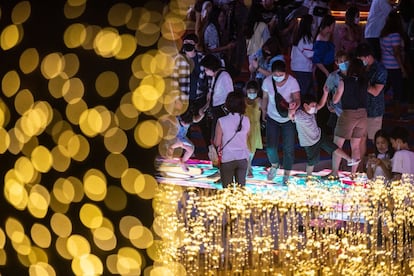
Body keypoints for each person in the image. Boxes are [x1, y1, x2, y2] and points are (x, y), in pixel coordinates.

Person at [289, 93, 360, 177]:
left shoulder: (312, 111)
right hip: (309, 142)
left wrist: (325, 92)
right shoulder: (299, 115)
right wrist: (292, 107)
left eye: (314, 105)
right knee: (312, 161)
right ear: (305, 105)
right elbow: (291, 116)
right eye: (312, 105)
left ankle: (349, 159)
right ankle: (308, 176)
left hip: (319, 135)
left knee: (333, 147)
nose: (314, 107)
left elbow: (321, 104)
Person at [261, 60, 301, 183]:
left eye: (280, 75)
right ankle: (274, 165)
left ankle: (287, 173)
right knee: (271, 147)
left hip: (288, 119)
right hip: (272, 117)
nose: (278, 77)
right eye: (275, 75)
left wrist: (294, 106)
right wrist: (264, 112)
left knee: (288, 148)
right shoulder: (267, 82)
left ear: (285, 72)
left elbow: (297, 98)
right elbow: (265, 98)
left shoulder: (292, 82)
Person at [172, 33, 211, 146]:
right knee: (184, 125)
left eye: (190, 43)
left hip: (199, 96)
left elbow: (208, 77)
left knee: (203, 124)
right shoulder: (178, 59)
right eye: (185, 43)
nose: (187, 45)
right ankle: (186, 149)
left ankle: (210, 148)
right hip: (184, 97)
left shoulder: (202, 58)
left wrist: (209, 91)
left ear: (195, 44)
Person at [331, 58, 368, 176]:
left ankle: (335, 172)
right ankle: (353, 174)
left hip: (348, 114)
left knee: (337, 145)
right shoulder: (365, 81)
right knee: (356, 145)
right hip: (363, 115)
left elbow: (335, 100)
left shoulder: (344, 81)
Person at [355, 43, 388, 167]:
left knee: (376, 140)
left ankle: (379, 166)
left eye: (361, 59)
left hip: (374, 109)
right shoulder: (362, 68)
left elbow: (375, 91)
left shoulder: (380, 70)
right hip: (362, 108)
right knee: (361, 137)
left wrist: (362, 83)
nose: (360, 61)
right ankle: (362, 166)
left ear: (368, 57)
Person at [214, 91, 250, 188]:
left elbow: (217, 142)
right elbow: (246, 139)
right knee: (241, 189)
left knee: (227, 190)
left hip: (227, 158)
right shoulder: (246, 120)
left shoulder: (221, 121)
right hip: (243, 157)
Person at [200, 53, 234, 141]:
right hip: (216, 110)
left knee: (219, 138)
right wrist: (205, 107)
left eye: (206, 69)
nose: (205, 71)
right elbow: (212, 95)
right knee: (215, 137)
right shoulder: (216, 76)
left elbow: (230, 95)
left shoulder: (224, 76)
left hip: (222, 110)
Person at [312, 14, 336, 135]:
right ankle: (322, 125)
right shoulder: (320, 37)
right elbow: (316, 60)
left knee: (330, 97)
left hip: (329, 68)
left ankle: (327, 124)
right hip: (323, 71)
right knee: (323, 95)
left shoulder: (328, 36)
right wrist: (327, 73)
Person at [380, 11, 408, 106]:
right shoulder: (395, 35)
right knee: (397, 90)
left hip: (385, 64)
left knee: (385, 87)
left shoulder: (384, 34)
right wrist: (403, 68)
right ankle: (397, 111)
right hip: (394, 66)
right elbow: (397, 53)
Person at [167, 107, 207, 172]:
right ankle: (170, 154)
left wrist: (202, 115)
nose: (186, 124)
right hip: (173, 138)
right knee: (179, 143)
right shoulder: (176, 120)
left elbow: (197, 119)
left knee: (191, 148)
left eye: (187, 123)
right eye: (184, 122)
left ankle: (183, 161)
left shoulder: (190, 119)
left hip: (182, 138)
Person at [323, 50, 349, 133]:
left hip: (351, 110)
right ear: (336, 63)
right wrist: (329, 105)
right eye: (341, 61)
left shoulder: (354, 75)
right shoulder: (333, 76)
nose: (344, 63)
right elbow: (327, 91)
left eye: (345, 61)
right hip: (337, 109)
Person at [290, 14, 314, 97]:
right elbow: (310, 54)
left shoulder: (297, 36)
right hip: (304, 69)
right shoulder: (306, 38)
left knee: (300, 92)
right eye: (313, 23)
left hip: (296, 67)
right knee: (304, 94)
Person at [244, 80, 263, 178]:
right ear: (246, 91)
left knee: (252, 149)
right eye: (250, 92)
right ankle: (248, 167)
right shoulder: (243, 101)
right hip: (244, 127)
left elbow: (264, 110)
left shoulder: (259, 101)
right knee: (246, 148)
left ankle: (249, 165)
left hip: (255, 127)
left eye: (253, 92)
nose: (252, 94)